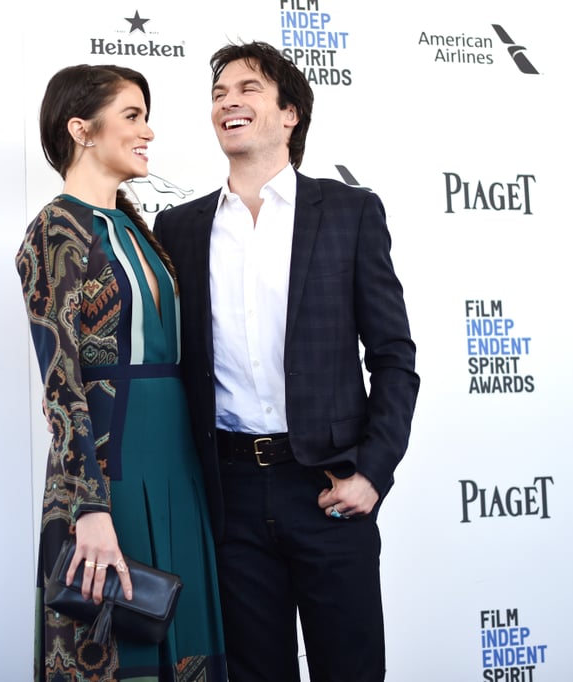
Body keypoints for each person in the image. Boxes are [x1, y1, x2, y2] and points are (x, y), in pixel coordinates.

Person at [153, 42, 420, 682]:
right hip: (230, 494)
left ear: (290, 112)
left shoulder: (350, 212)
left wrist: (373, 473)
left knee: (349, 670)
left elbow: (393, 357)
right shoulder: (179, 227)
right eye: (218, 94)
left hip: (328, 489)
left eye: (247, 89)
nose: (228, 102)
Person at [16, 64, 227, 681]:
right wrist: (90, 508)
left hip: (178, 465)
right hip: (106, 470)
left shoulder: (141, 229)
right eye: (132, 116)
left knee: (186, 638)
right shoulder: (54, 230)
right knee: (118, 646)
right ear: (81, 129)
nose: (149, 132)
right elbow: (62, 383)